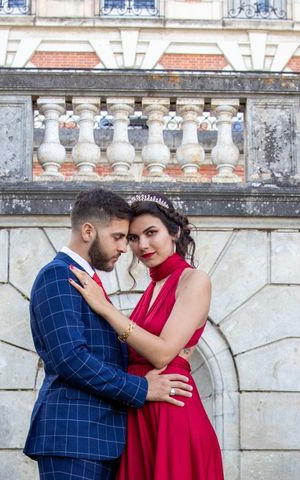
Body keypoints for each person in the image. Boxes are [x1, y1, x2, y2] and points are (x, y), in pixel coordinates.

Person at [23, 188, 194, 480]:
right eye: (118, 237)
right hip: (73, 438)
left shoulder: (87, 282)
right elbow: (70, 358)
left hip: (102, 441)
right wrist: (141, 388)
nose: (125, 248)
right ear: (88, 231)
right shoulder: (57, 275)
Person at [69, 192, 224, 480]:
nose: (142, 245)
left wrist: (105, 308)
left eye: (151, 233)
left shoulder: (194, 280)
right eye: (133, 237)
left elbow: (163, 353)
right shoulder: (151, 290)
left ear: (174, 233)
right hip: (140, 413)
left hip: (172, 414)